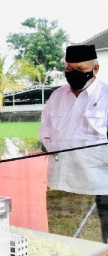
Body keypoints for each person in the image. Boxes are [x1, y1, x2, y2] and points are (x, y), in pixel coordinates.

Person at [39, 44, 108, 243]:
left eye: (80, 70)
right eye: (69, 70)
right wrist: (55, 146)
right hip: (59, 184)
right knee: (61, 242)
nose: (73, 74)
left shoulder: (105, 97)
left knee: (97, 249)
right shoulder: (57, 96)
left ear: (95, 69)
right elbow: (45, 131)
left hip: (97, 187)